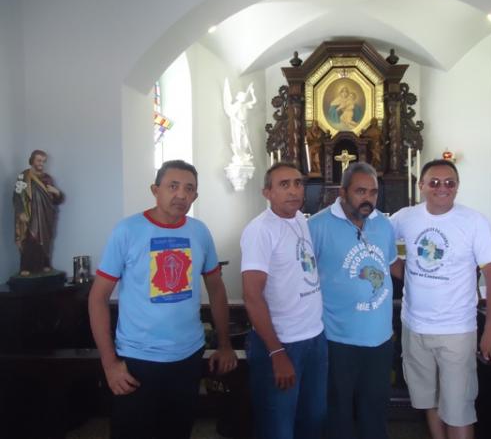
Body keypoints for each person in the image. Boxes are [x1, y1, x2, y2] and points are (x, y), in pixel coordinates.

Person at [88, 160, 237, 439]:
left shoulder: (199, 231)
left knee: (177, 432)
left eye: (189, 189)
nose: (181, 194)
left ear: (195, 196)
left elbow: (216, 289)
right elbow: (97, 298)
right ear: (155, 190)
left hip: (187, 357)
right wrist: (109, 364)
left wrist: (225, 344)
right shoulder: (127, 231)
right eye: (173, 186)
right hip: (137, 360)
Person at [390, 159, 491, 439]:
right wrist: (409, 276)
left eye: (449, 183)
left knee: (458, 408)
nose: (442, 188)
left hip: (456, 329)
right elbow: (382, 250)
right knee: (428, 400)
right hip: (415, 326)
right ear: (421, 186)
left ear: (457, 187)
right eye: (434, 182)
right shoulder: (404, 217)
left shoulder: (473, 221)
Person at [308, 162, 403, 439]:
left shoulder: (383, 224)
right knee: (338, 410)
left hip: (380, 338)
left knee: (374, 409)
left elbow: (392, 266)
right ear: (343, 192)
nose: (368, 199)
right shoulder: (316, 226)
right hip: (338, 339)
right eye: (360, 191)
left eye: (373, 192)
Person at [241, 162, 327, 439]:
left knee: (312, 418)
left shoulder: (301, 219)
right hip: (282, 342)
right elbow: (252, 296)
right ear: (267, 192)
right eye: (284, 184)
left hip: (314, 337)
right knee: (278, 425)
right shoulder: (260, 230)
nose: (293, 190)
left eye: (298, 183)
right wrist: (276, 352)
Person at [13, 150, 64, 276]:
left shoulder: (47, 179)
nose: (41, 163)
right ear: (32, 161)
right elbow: (17, 196)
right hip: (31, 215)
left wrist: (56, 191)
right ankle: (25, 267)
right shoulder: (24, 176)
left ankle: (45, 263)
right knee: (30, 239)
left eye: (43, 161)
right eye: (39, 160)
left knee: (46, 240)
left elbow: (57, 200)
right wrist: (20, 212)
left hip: (46, 216)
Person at [223, 78, 257, 164]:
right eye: (242, 96)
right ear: (239, 97)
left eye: (244, 96)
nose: (244, 98)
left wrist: (252, 93)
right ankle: (239, 155)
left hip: (244, 124)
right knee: (238, 140)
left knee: (245, 141)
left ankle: (244, 154)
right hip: (238, 125)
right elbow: (232, 115)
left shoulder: (244, 105)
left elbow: (254, 101)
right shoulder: (236, 105)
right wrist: (238, 122)